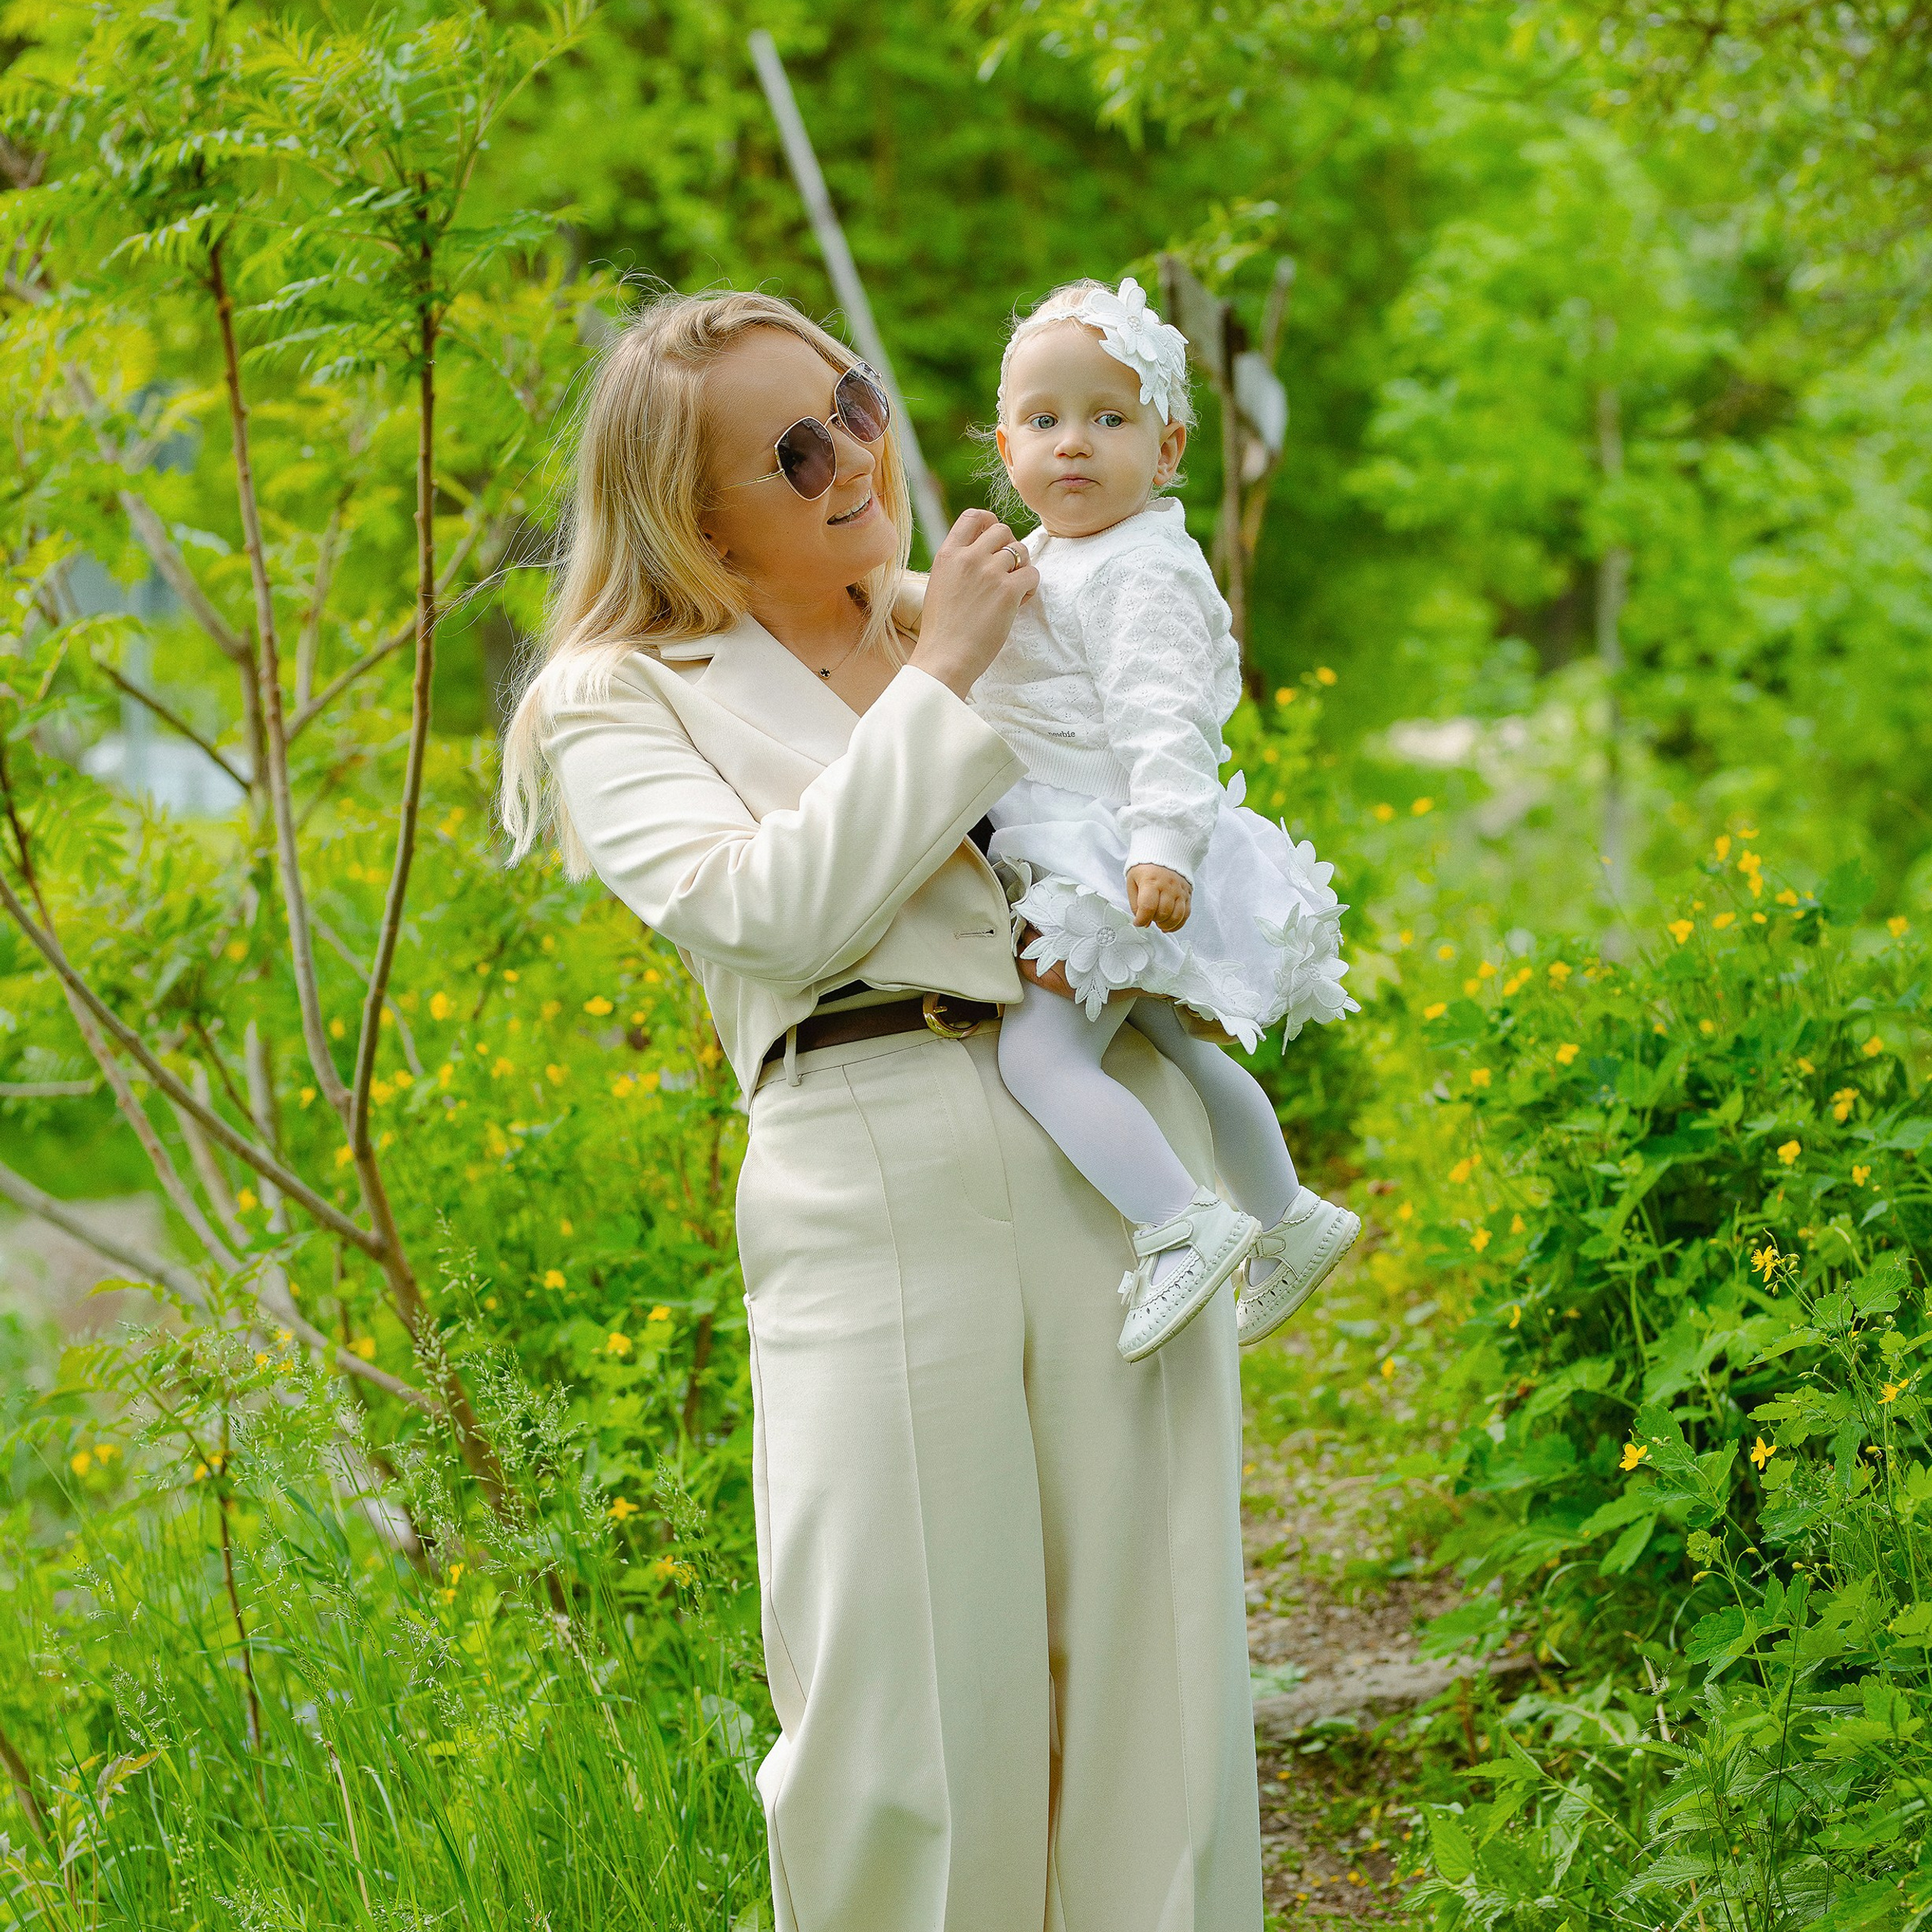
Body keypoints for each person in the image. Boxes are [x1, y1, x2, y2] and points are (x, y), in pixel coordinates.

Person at [498, 289, 1264, 1932]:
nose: (854, 455)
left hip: (1101, 1128)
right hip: (864, 1150)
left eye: (852, 404)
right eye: (794, 449)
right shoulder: (619, 695)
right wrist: (948, 677)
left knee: (1154, 1663)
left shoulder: (999, 594)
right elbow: (764, 908)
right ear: (691, 515)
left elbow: (1170, 747)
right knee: (899, 1702)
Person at [971, 276, 1360, 1363]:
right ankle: (1286, 1214)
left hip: (1113, 852)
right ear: (1007, 448)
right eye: (1044, 420)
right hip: (1082, 841)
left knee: (1040, 1059)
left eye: (1110, 417)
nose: (1074, 443)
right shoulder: (1058, 554)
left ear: (1169, 447)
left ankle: (1179, 1225)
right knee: (1170, 1039)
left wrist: (1160, 848)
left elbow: (1165, 721)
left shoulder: (1139, 567)